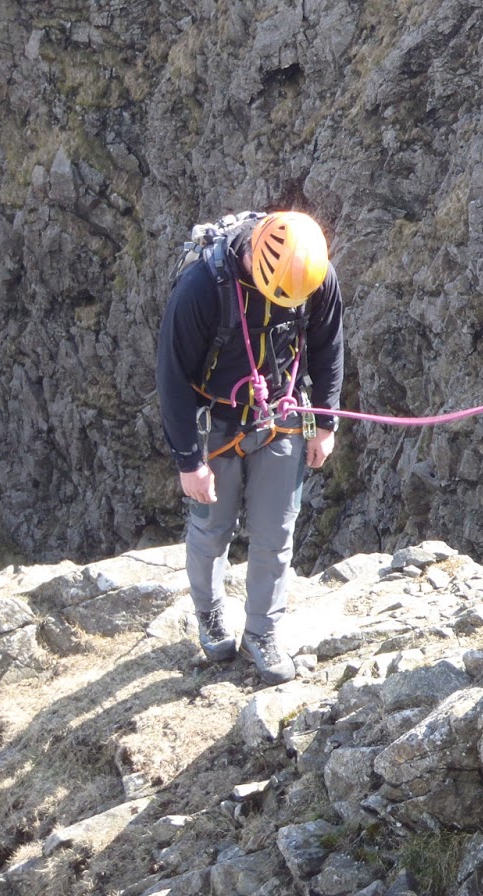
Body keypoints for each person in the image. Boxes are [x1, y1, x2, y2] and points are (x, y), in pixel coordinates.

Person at [156, 210, 345, 683]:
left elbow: (328, 345)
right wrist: (188, 461)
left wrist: (325, 421)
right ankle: (210, 612)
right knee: (210, 532)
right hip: (216, 425)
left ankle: (262, 631)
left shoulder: (315, 275)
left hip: (281, 415)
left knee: (275, 535)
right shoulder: (203, 288)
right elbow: (172, 376)